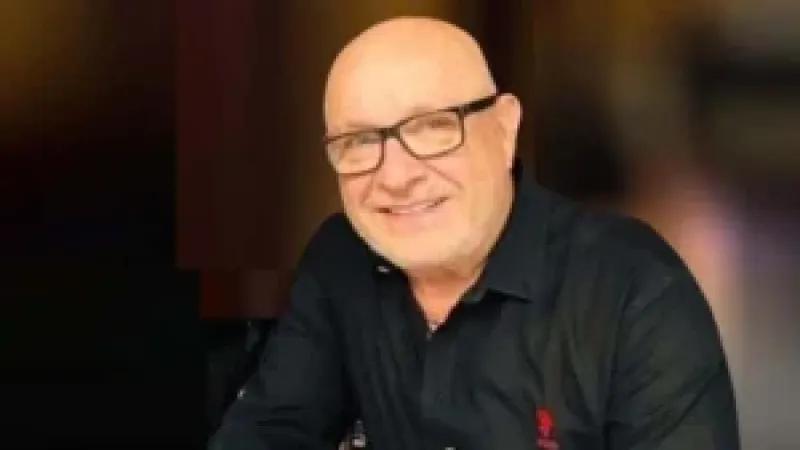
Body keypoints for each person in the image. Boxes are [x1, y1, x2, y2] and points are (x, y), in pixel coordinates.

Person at [210, 17, 739, 450]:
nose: (395, 176)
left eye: (432, 127)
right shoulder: (340, 258)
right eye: (360, 141)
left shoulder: (636, 290)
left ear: (505, 128)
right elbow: (268, 431)